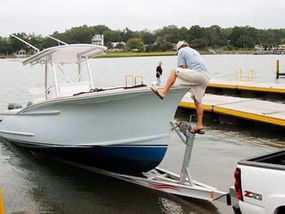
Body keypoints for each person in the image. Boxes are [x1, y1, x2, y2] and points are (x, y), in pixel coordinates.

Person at [151, 41, 209, 134]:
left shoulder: (181, 51)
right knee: (198, 101)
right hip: (205, 77)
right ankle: (199, 124)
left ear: (178, 48)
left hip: (197, 75)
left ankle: (163, 92)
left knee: (174, 71)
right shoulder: (194, 51)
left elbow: (183, 68)